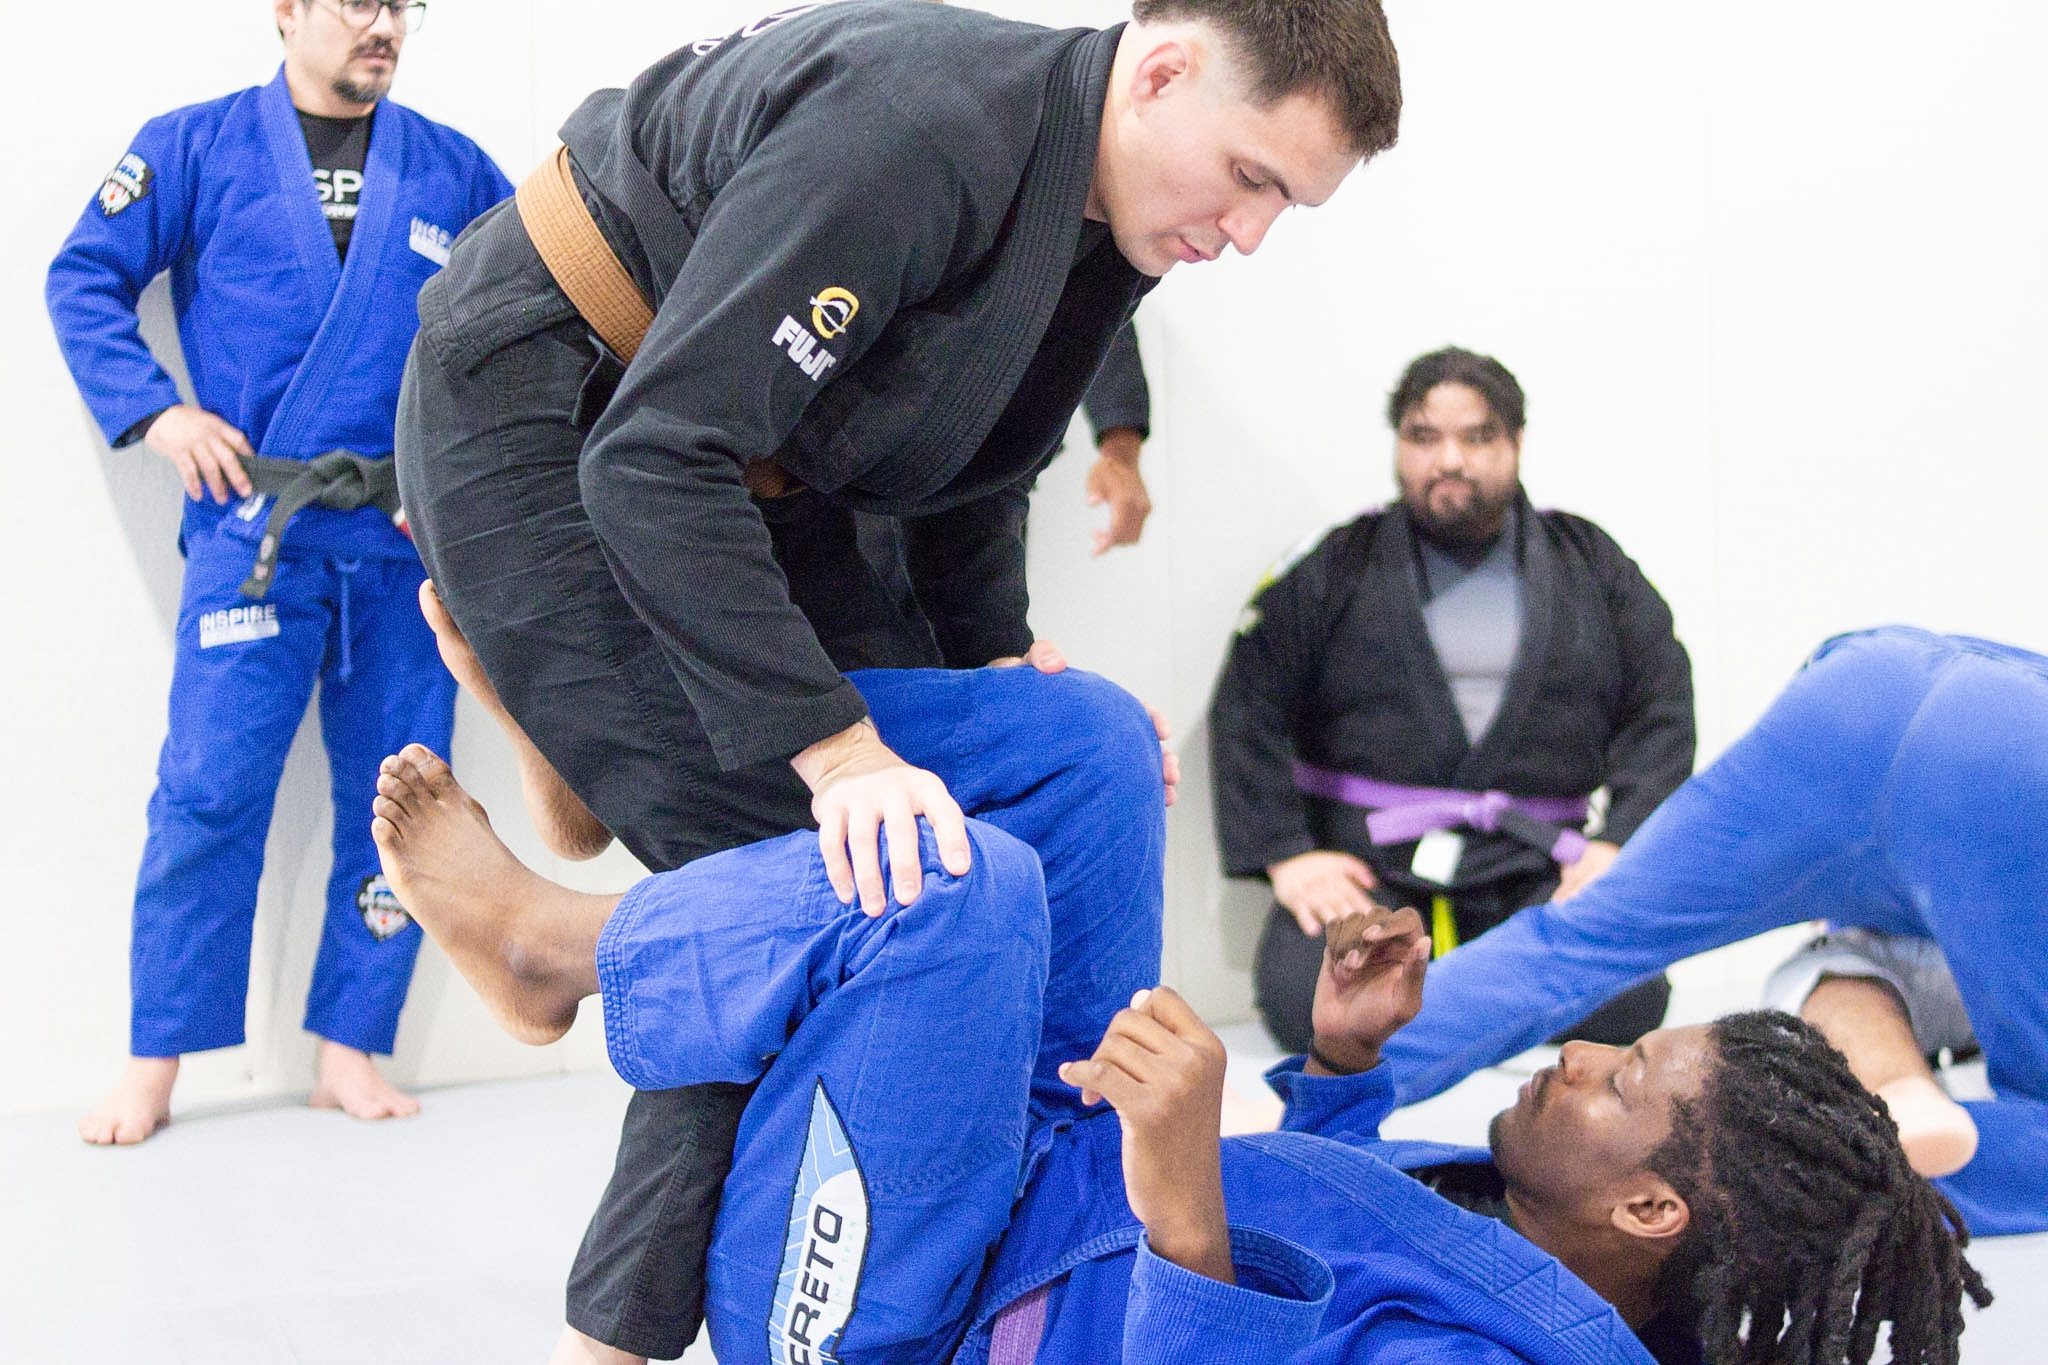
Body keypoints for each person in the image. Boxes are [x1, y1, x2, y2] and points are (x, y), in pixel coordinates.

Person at [392, 2, 1401, 1359]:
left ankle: (1047, 1232)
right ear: (1161, 72)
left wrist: (993, 657)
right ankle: (584, 1172)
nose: (1253, 234)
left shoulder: (1112, 206)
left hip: (761, 486)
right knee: (838, 860)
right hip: (560, 426)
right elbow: (656, 454)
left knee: (1083, 749)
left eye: (1292, 207)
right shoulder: (917, 128)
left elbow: (979, 459)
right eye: (1255, 178)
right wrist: (837, 753)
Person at [364, 664, 1989, 1365]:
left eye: (1619, 1074)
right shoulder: (1558, 1230)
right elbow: (1345, 1236)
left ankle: (560, 949)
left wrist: (1185, 1216)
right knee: (1087, 745)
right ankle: (638, 742)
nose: (1576, 1051)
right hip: (1032, 1188)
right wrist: (1341, 1066)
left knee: (962, 887)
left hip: (902, 1321)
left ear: (1649, 1201)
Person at [44, 0, 511, 1145]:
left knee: (404, 800)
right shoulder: (194, 145)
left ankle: (349, 1046)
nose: (382, 25)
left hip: (400, 540)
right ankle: (156, 1061)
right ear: (288, 13)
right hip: (252, 527)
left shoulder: (456, 170)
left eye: (399, 7)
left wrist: (464, 478)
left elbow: (522, 327)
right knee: (206, 794)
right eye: (357, 3)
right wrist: (154, 411)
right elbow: (82, 277)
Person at [1376, 625, 2048, 1239]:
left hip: (1857, 689)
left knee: (1577, 942)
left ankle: (1319, 1082)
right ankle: (1821, 1170)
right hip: (2017, 760)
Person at [1210, 345, 1695, 1054]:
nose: (1449, 459)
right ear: (1399, 444)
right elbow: (1249, 703)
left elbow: (1662, 705)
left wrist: (1617, 843)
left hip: (1531, 869)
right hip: (1373, 872)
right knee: (1299, 996)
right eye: (1423, 436)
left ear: (1516, 443)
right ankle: (1483, 1008)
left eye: (1477, 436)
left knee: (1632, 994)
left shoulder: (1589, 562)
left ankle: (1429, 1009)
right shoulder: (1334, 563)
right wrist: (1289, 855)